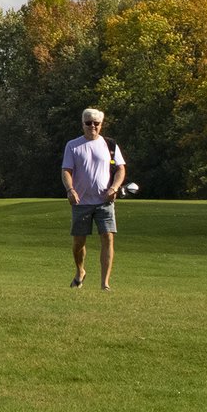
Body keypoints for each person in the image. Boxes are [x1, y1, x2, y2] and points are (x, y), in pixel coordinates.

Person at [61, 108, 125, 291]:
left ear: (101, 125)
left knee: (107, 238)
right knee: (78, 242)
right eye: (88, 123)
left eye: (96, 123)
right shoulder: (73, 145)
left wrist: (114, 188)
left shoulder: (110, 145)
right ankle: (80, 271)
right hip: (81, 202)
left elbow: (121, 169)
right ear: (82, 124)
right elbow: (66, 170)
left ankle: (105, 283)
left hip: (104, 201)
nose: (92, 126)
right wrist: (70, 189)